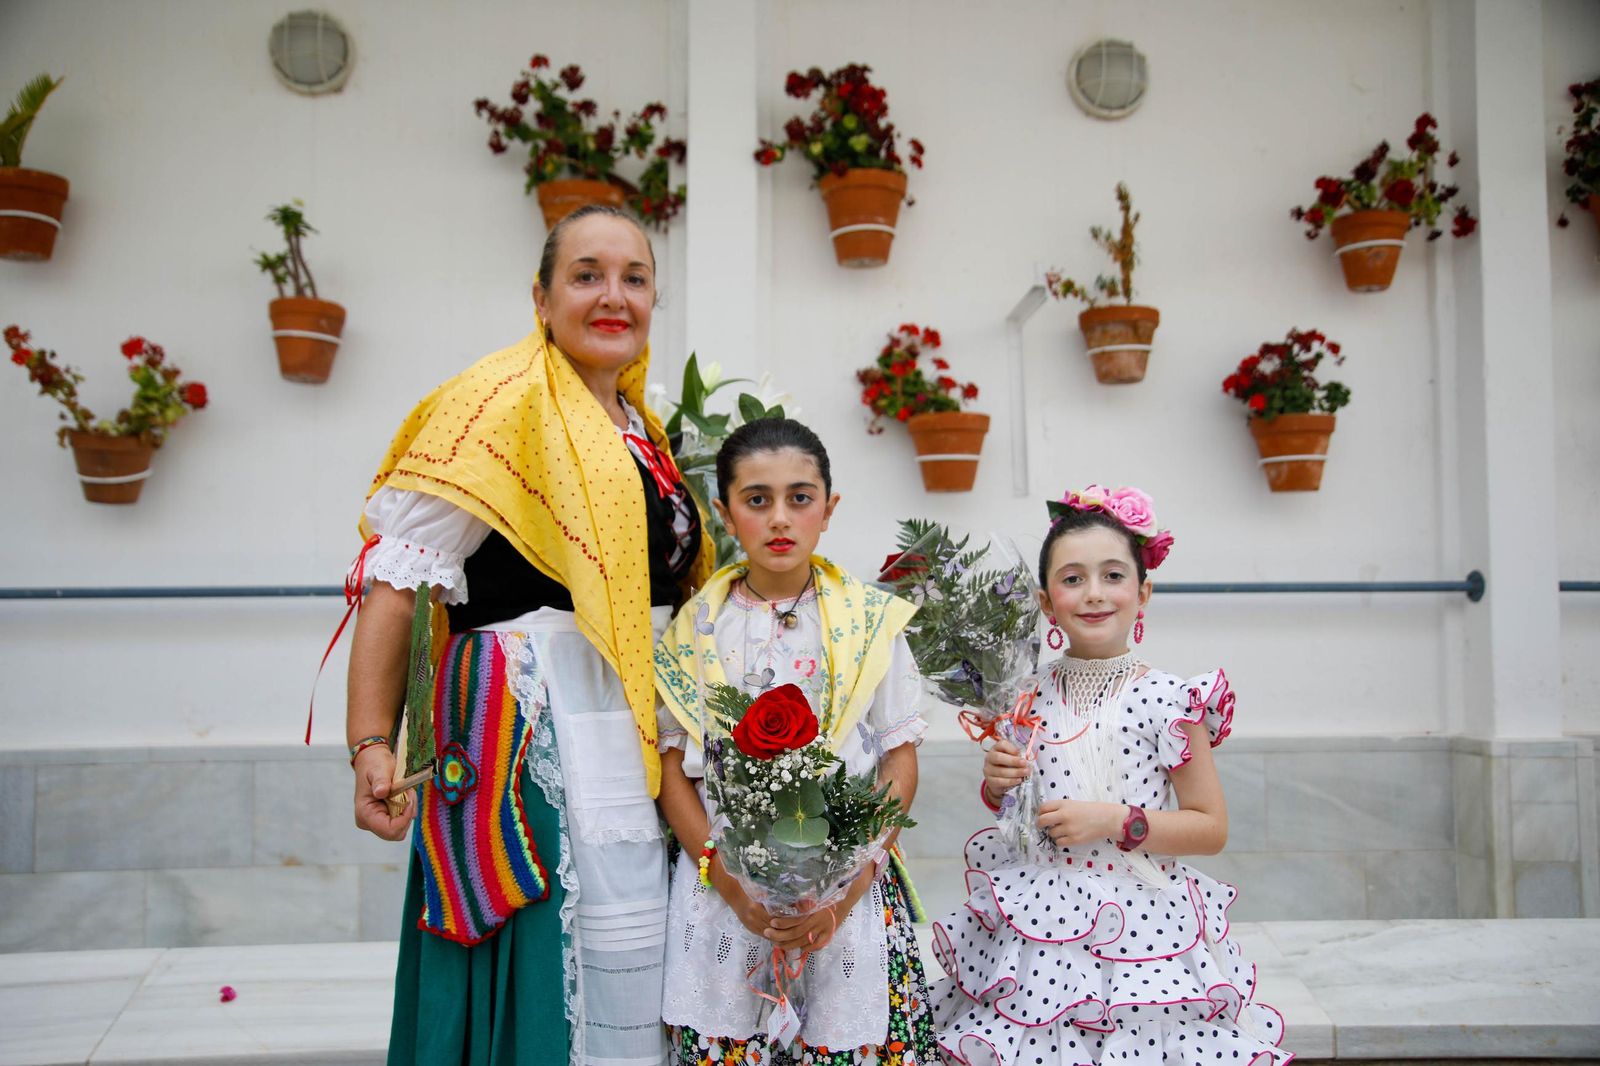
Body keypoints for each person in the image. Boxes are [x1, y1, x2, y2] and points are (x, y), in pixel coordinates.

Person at [344, 204, 713, 1066]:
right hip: (536, 726)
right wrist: (372, 740)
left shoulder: (640, 430)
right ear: (541, 298)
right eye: (587, 275)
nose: (612, 296)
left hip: (635, 729)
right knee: (560, 962)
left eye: (634, 278)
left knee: (642, 967)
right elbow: (396, 583)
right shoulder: (495, 406)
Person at [929, 485, 1291, 1066]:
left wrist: (1115, 820)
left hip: (1145, 925)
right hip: (1039, 927)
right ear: (1047, 603)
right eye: (1072, 579)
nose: (1093, 594)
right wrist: (999, 782)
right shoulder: (1021, 693)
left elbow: (1211, 827)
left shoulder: (1171, 700)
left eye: (1113, 576)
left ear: (1143, 592)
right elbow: (1014, 807)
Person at [652, 418, 940, 1065]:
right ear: (726, 512)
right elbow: (673, 773)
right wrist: (728, 885)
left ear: (828, 509)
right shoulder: (694, 631)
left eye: (800, 497)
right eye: (757, 500)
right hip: (720, 893)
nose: (780, 518)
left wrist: (849, 884)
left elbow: (899, 759)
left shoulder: (872, 624)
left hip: (851, 895)